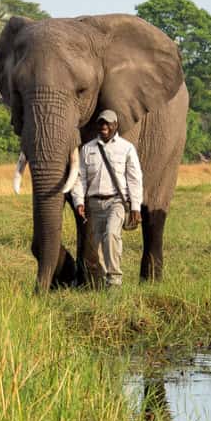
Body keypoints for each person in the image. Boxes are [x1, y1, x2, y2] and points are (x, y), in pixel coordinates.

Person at [70, 109, 143, 288]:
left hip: (116, 201)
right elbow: (80, 178)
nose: (104, 126)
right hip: (93, 203)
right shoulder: (87, 149)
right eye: (101, 123)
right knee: (96, 247)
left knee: (111, 234)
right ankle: (103, 281)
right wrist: (79, 202)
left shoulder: (126, 148)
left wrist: (135, 206)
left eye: (108, 123)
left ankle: (115, 281)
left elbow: (135, 178)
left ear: (115, 126)